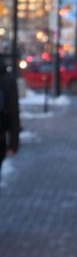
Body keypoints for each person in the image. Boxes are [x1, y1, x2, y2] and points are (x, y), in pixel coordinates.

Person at [0, 56, 21, 185]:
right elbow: (14, 112)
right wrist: (13, 143)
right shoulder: (7, 78)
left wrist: (13, 143)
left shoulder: (6, 79)